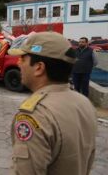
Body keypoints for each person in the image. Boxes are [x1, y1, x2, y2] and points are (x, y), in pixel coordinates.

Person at [8, 32, 97, 175]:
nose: (18, 63)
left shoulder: (35, 116)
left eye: (23, 58)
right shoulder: (84, 103)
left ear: (39, 68)